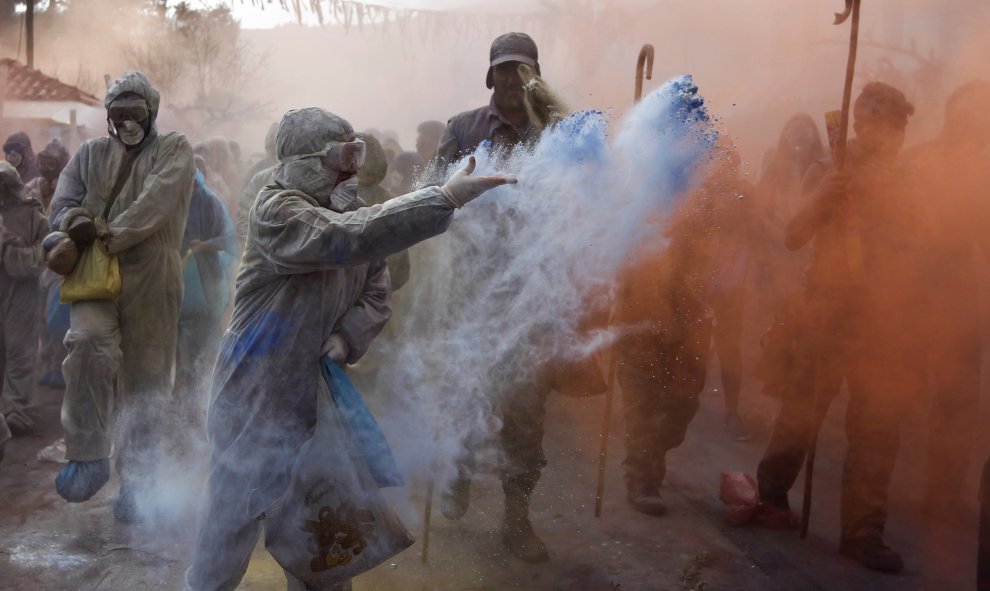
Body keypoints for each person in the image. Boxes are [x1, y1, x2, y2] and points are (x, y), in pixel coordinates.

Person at [184, 106, 514, 591]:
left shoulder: (350, 215)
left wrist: (346, 336)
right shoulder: (277, 208)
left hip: (316, 402)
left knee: (325, 533)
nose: (351, 167)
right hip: (254, 393)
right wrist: (439, 199)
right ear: (300, 162)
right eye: (339, 156)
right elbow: (342, 239)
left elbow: (377, 290)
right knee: (232, 520)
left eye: (355, 153)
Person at [754, 82, 922, 574]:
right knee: (802, 412)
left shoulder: (908, 183)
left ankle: (863, 533)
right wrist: (825, 197)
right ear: (859, 125)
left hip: (883, 322)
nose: (887, 135)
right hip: (827, 313)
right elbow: (792, 236)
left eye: (897, 125)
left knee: (877, 430)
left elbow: (921, 251)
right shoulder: (831, 172)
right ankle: (771, 492)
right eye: (877, 123)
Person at [48, 71, 195, 522]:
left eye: (136, 114)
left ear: (151, 112)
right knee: (88, 344)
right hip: (95, 273)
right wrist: (73, 221)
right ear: (107, 117)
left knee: (146, 381)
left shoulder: (174, 149)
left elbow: (156, 204)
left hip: (153, 273)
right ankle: (89, 454)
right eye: (118, 115)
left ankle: (138, 482)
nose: (127, 123)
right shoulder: (90, 153)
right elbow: (60, 204)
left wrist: (105, 234)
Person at [435, 31, 558, 564]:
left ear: (535, 75)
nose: (512, 80)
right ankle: (456, 475)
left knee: (526, 415)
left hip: (531, 297)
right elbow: (435, 200)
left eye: (522, 70)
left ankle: (517, 519)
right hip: (471, 293)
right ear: (490, 76)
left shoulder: (555, 130)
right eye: (503, 70)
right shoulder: (463, 130)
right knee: (465, 396)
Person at [909, 80, 990, 521]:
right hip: (908, 287)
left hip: (957, 292)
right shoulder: (918, 162)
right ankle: (869, 498)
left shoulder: (982, 176)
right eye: (967, 113)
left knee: (958, 397)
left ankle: (942, 491)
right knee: (889, 392)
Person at [174, 169, 238, 423]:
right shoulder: (171, 200)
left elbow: (227, 238)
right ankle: (181, 399)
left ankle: (200, 401)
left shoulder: (209, 201)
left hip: (206, 280)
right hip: (176, 281)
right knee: (179, 346)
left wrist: (206, 245)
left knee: (202, 345)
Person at [0, 161, 49, 435]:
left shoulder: (32, 215)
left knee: (19, 349)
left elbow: (48, 249)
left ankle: (17, 410)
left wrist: (17, 251)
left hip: (22, 292)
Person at [26, 138, 72, 389]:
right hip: (36, 262)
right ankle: (47, 364)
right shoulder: (32, 187)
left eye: (51, 162)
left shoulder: (69, 190)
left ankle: (60, 365)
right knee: (41, 320)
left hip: (57, 262)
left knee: (56, 317)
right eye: (43, 161)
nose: (46, 167)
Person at [26, 138, 71, 214]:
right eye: (42, 162)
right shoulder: (35, 184)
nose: (45, 169)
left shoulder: (69, 189)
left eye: (51, 164)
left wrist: (59, 191)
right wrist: (39, 195)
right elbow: (20, 204)